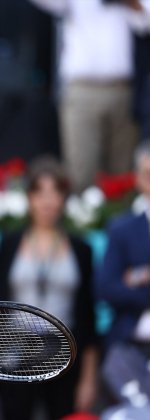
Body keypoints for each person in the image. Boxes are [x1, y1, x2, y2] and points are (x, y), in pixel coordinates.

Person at [0, 156, 99, 419]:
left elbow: (88, 317)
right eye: (40, 193)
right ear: (29, 198)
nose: (47, 201)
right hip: (15, 351)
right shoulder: (10, 243)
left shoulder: (81, 249)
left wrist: (89, 379)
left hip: (64, 353)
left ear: (64, 198)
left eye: (55, 192)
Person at [28, 0, 150, 192]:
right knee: (81, 173)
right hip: (82, 89)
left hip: (125, 89)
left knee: (123, 176)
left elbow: (145, 21)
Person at [96, 141, 150, 409]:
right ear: (138, 179)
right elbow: (106, 288)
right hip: (130, 347)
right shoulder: (122, 229)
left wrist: (136, 278)